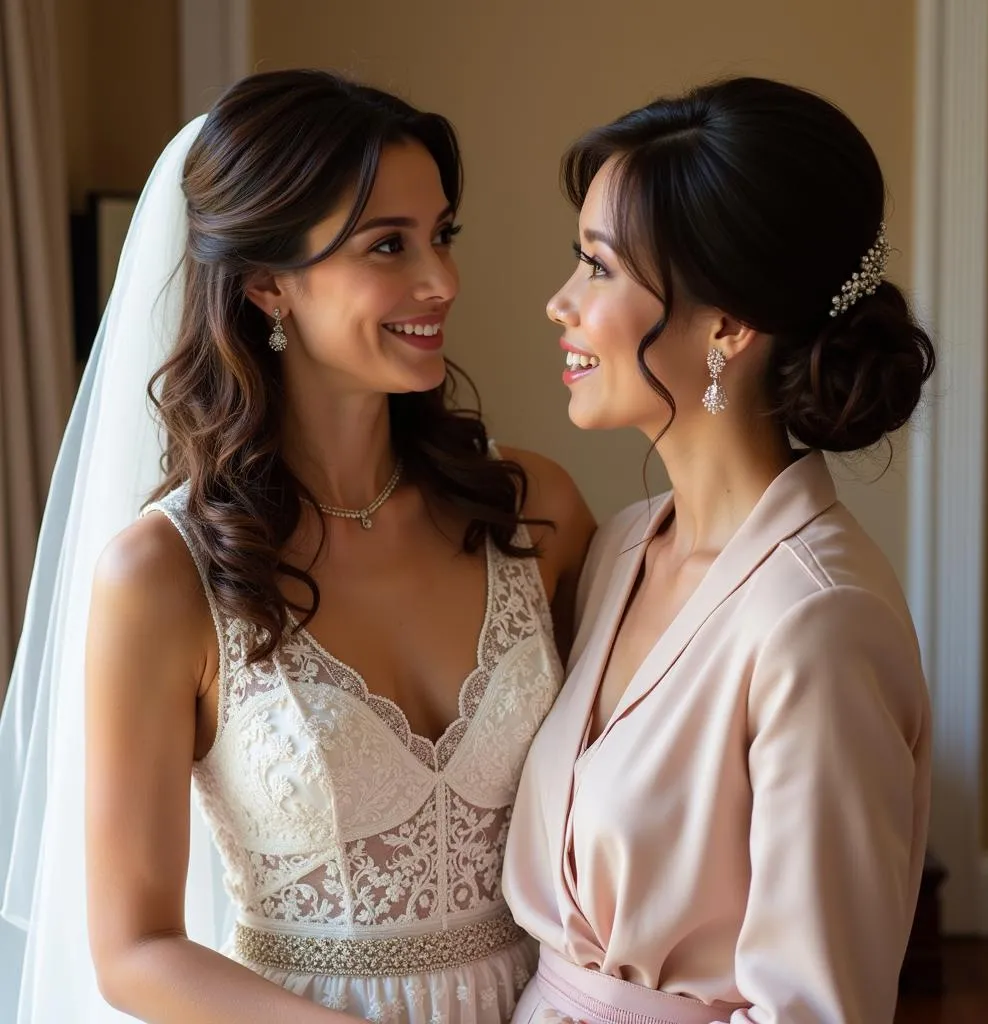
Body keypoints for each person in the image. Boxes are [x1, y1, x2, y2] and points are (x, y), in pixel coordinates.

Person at [0, 69, 593, 1024]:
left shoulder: (533, 515)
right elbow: (132, 949)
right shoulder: (162, 578)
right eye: (387, 246)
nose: (440, 280)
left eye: (442, 235)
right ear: (269, 283)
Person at [503, 76, 933, 1024]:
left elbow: (817, 1010)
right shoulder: (618, 552)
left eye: (600, 268)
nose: (559, 303)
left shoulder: (819, 622)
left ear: (730, 326)